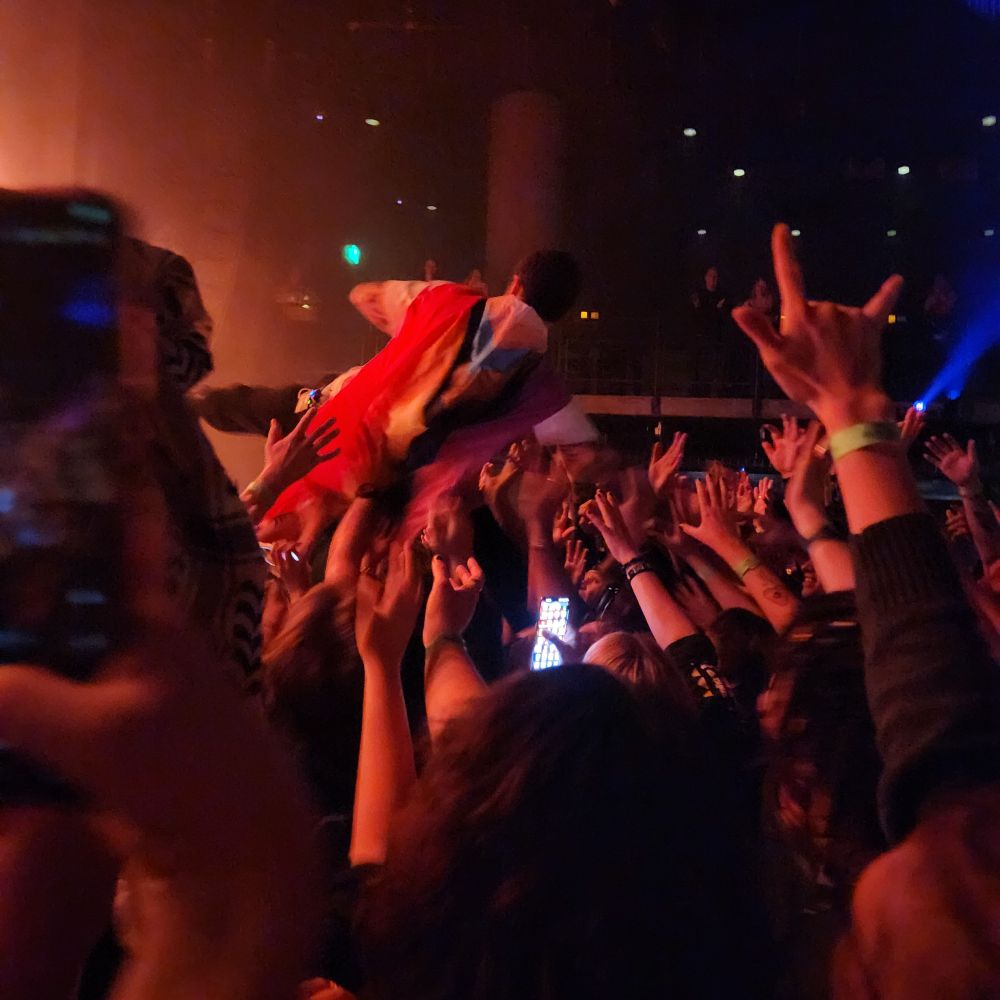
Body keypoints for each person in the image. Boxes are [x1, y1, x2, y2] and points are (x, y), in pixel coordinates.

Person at [267, 250, 597, 534]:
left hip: (325, 442)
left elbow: (363, 295)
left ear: (516, 284)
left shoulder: (447, 299)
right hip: (386, 507)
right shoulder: (545, 389)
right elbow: (587, 453)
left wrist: (411, 333)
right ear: (559, 314)